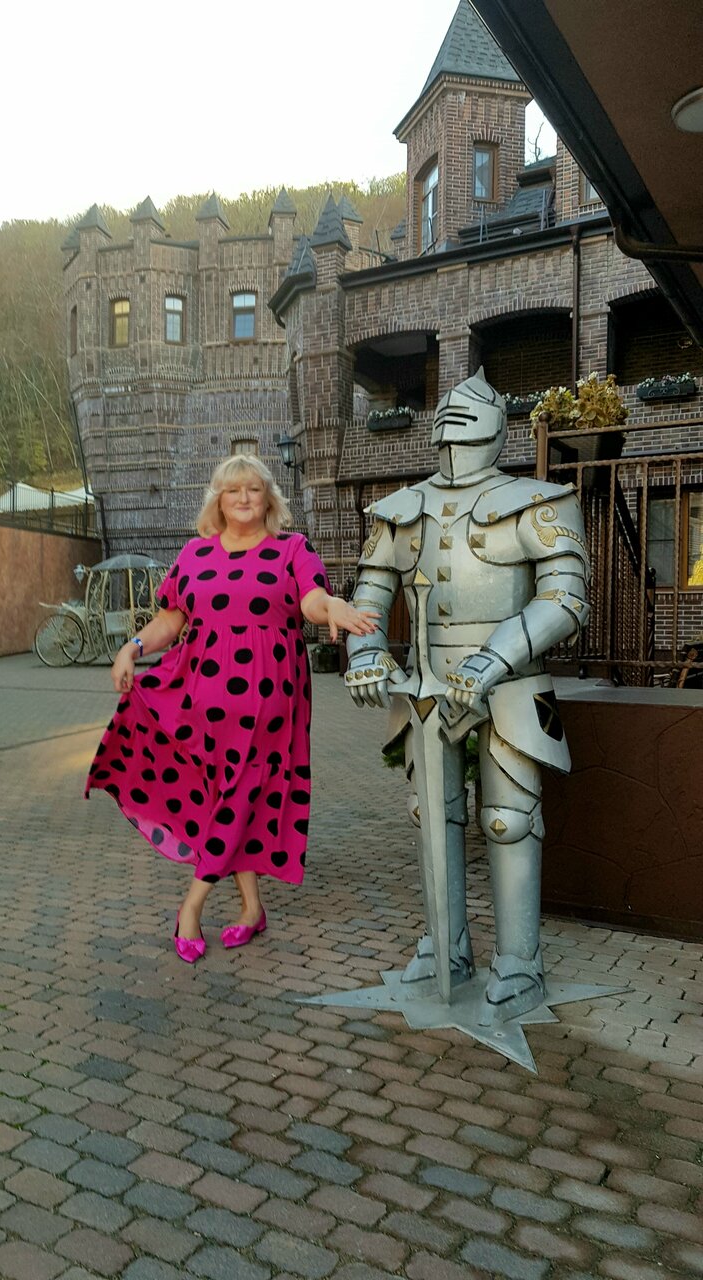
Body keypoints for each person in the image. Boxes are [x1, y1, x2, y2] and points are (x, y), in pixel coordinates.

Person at [345, 369, 590, 1020]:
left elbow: (566, 599)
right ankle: (446, 945)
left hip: (510, 685)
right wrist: (367, 654)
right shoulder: (400, 510)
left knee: (509, 820)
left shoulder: (537, 502)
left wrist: (495, 655)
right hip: (425, 688)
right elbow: (369, 600)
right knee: (431, 817)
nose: (453, 431)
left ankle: (519, 960)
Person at [86, 453, 376, 962]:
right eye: (232, 490)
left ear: (269, 499)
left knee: (241, 788)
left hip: (268, 697)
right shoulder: (195, 554)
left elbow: (310, 600)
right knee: (223, 793)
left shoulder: (291, 548)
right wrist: (132, 648)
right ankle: (252, 909)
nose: (243, 498)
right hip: (199, 696)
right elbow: (171, 620)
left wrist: (331, 606)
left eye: (253, 489)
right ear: (218, 500)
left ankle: (191, 908)